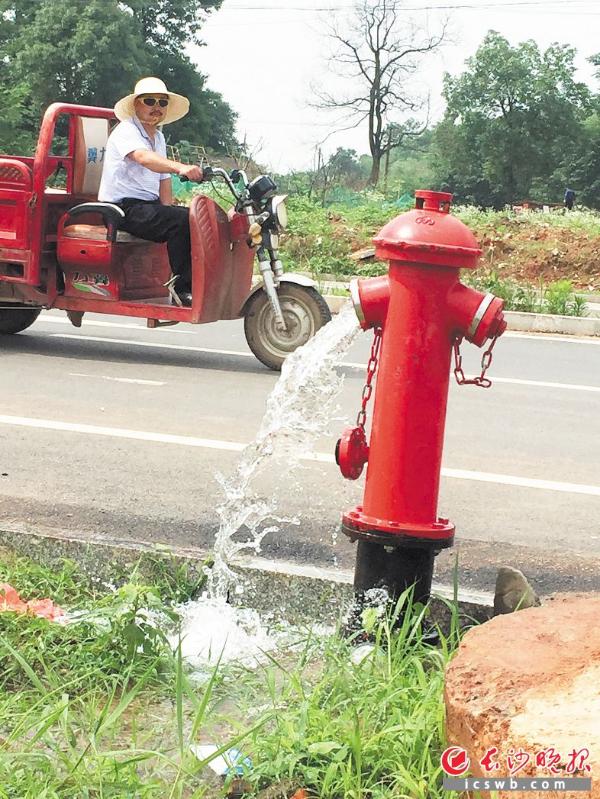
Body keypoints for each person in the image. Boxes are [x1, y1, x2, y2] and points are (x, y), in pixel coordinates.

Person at [98, 77, 203, 306]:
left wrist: (169, 211)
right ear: (136, 104)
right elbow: (144, 158)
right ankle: (182, 290)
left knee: (193, 218)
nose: (156, 107)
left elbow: (163, 180)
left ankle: (195, 284)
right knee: (181, 220)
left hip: (146, 207)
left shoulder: (158, 136)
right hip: (121, 209)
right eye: (150, 101)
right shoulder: (126, 131)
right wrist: (181, 167)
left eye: (162, 103)